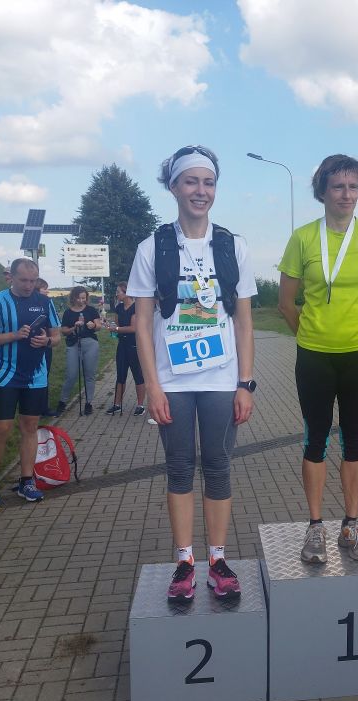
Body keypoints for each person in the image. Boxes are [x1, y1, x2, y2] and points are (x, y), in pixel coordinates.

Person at [129, 144, 257, 602]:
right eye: (191, 181)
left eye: (208, 182)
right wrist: (152, 387)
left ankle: (217, 559)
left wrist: (245, 383)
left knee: (219, 468)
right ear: (174, 187)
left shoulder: (232, 246)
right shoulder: (153, 247)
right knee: (180, 468)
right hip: (173, 382)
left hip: (221, 379)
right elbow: (142, 322)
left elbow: (244, 321)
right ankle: (184, 562)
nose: (200, 191)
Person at [277, 154, 358, 563]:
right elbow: (286, 302)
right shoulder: (303, 238)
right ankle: (315, 527)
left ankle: (351, 524)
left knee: (354, 437)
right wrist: (312, 334)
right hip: (315, 355)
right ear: (323, 191)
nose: (346, 194)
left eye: (353, 187)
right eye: (338, 186)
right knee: (315, 438)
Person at [0, 258, 61, 508]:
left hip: (36, 375)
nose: (28, 285)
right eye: (23, 280)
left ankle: (27, 480)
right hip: (5, 374)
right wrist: (14, 335)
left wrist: (47, 341)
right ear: (11, 277)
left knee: (30, 427)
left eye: (33, 281)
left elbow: (57, 336)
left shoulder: (44, 301)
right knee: (1, 428)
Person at [54, 286, 100, 416]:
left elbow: (98, 326)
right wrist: (74, 328)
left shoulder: (91, 310)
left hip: (90, 343)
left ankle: (88, 403)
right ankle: (63, 401)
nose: (81, 301)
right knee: (71, 374)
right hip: (73, 343)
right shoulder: (68, 313)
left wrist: (93, 325)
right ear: (73, 298)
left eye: (83, 298)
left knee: (89, 374)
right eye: (79, 298)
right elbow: (64, 331)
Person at [106, 282, 146, 416]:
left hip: (134, 345)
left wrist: (116, 329)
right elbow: (117, 325)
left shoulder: (136, 307)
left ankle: (140, 405)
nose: (116, 294)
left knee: (137, 375)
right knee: (120, 374)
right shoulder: (118, 307)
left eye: (118, 292)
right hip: (122, 344)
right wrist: (112, 327)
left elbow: (133, 328)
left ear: (127, 293)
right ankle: (117, 404)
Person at [35, 278, 58, 417]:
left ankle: (43, 407)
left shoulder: (47, 302)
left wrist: (49, 339)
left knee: (44, 375)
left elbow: (54, 327)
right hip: (33, 345)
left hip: (45, 343)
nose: (47, 291)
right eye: (45, 288)